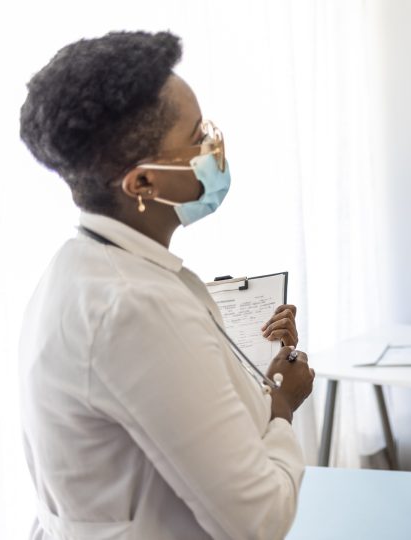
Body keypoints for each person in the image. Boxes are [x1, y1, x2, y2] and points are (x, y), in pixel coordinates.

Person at [18, 31, 314, 539]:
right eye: (199, 137)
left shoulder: (85, 268)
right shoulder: (133, 308)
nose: (214, 148)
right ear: (142, 184)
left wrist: (260, 390)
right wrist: (282, 408)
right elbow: (260, 519)